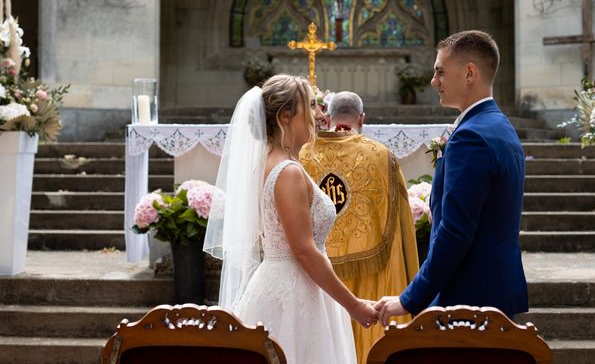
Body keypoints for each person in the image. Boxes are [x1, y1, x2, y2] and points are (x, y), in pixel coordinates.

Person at [203, 75, 378, 364]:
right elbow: (304, 251)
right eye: (311, 106)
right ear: (286, 116)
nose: (321, 115)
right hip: (296, 296)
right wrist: (354, 305)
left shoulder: (269, 163)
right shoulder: (287, 172)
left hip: (287, 285)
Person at [375, 30, 528, 324]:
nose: (434, 82)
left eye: (441, 72)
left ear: (470, 73)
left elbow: (455, 233)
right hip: (496, 291)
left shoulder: (471, 136)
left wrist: (409, 299)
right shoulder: (499, 126)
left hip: (470, 299)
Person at [300, 91, 419, 364]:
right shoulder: (382, 156)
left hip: (315, 275)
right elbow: (403, 229)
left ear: (326, 117)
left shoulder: (302, 153)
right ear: (362, 119)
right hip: (371, 285)